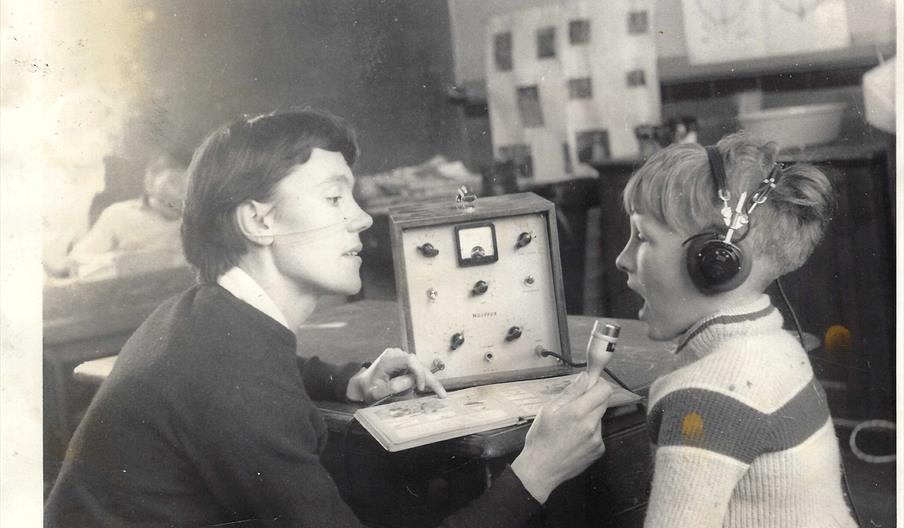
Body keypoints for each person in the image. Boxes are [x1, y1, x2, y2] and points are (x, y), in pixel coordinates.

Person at [45, 109, 614, 527]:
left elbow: (263, 363)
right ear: (258, 221)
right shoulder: (234, 384)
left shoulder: (203, 318)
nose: (363, 220)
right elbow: (245, 390)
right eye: (336, 198)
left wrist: (347, 380)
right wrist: (536, 472)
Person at [614, 133, 857, 527]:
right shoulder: (780, 346)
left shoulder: (705, 397)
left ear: (714, 262)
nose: (622, 259)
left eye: (642, 237)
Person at [66, 150, 190, 273]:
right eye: (173, 181)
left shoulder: (201, 219)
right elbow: (76, 259)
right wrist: (119, 260)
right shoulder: (119, 214)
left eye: (187, 184)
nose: (179, 190)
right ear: (149, 181)